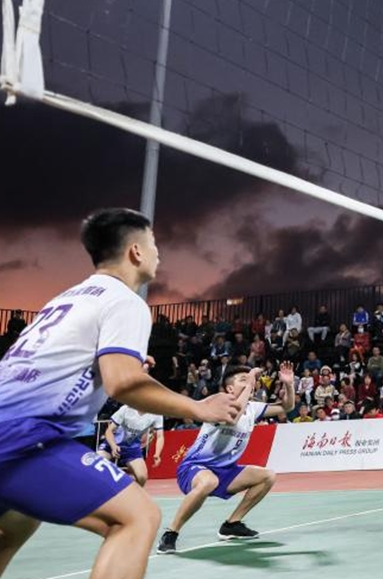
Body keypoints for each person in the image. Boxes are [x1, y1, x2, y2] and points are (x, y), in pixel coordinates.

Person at [0, 208, 239, 579]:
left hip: (11, 429)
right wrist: (198, 407)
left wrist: (115, 360)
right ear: (136, 252)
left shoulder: (67, 298)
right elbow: (123, 383)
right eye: (154, 242)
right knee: (138, 517)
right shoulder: (125, 301)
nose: (159, 252)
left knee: (14, 525)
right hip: (22, 437)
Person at [157, 362, 296, 553]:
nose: (248, 381)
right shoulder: (217, 402)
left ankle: (231, 524)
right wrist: (251, 381)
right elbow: (233, 417)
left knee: (267, 476)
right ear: (230, 388)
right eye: (242, 379)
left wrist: (288, 384)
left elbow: (286, 407)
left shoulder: (252, 408)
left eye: (249, 378)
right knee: (208, 482)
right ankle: (171, 533)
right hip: (195, 468)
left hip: (226, 471)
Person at [98, 358, 166, 487]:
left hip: (132, 449)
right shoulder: (125, 409)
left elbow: (160, 436)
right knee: (95, 468)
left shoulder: (156, 413)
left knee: (142, 478)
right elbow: (109, 431)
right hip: (111, 445)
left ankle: (127, 490)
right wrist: (113, 446)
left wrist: (157, 454)